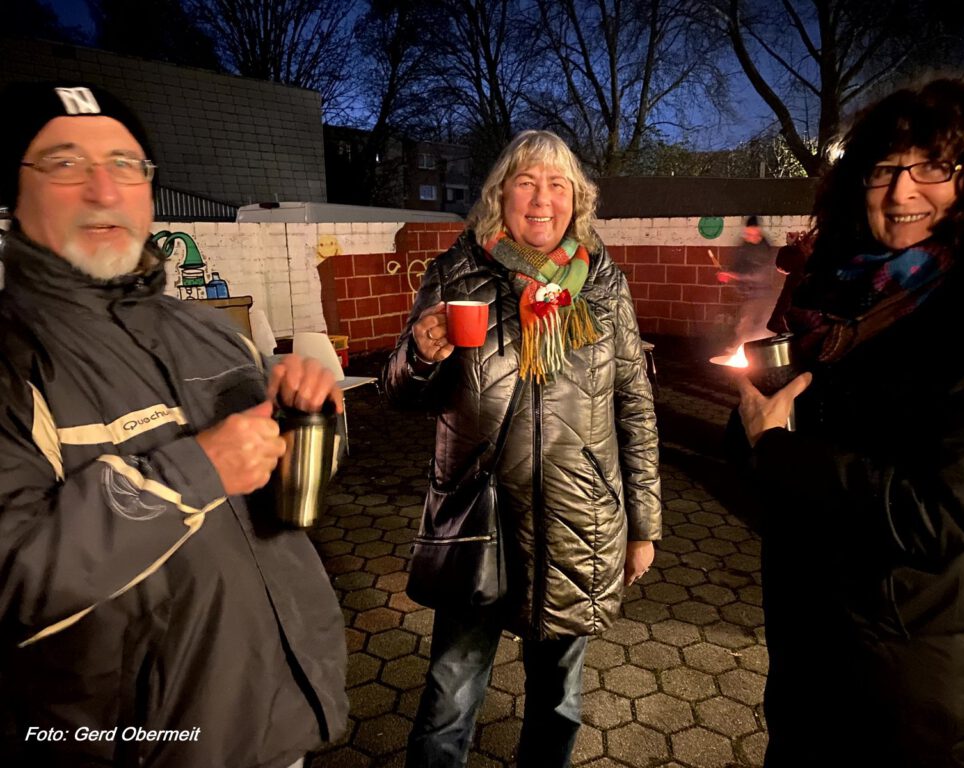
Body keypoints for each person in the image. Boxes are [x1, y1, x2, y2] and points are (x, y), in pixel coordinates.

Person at [0, 82, 348, 768]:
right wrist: (198, 470)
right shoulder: (13, 360)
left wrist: (309, 421)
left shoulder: (209, 332)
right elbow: (14, 578)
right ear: (14, 194)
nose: (105, 190)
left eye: (127, 165)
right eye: (66, 164)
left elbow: (288, 501)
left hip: (278, 719)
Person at [732, 76, 964, 767]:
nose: (901, 193)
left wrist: (775, 448)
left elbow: (950, 517)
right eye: (884, 169)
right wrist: (754, 421)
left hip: (912, 684)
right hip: (817, 657)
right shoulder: (852, 289)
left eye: (933, 166)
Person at [383, 130, 661, 767]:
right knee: (451, 695)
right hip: (479, 522)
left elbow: (635, 408)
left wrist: (643, 526)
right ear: (500, 194)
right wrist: (419, 358)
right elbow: (399, 394)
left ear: (577, 200)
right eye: (526, 182)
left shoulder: (603, 288)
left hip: (578, 518)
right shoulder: (456, 273)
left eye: (557, 184)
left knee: (559, 699)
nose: (542, 198)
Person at [717, 215, 778, 351]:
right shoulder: (744, 246)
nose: (749, 236)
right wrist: (728, 274)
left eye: (752, 233)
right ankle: (739, 350)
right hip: (749, 295)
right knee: (744, 323)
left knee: (762, 326)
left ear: (758, 232)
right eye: (747, 233)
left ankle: (761, 354)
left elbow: (758, 275)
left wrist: (735, 275)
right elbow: (736, 266)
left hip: (763, 296)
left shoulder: (764, 248)